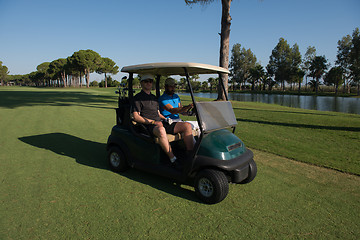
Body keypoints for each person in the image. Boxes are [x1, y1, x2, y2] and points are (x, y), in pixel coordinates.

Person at [132, 74, 193, 165]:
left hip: (160, 122)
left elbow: (158, 113)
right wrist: (152, 122)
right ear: (141, 83)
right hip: (148, 125)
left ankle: (190, 155)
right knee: (161, 130)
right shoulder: (137, 98)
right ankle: (173, 159)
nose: (149, 83)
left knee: (187, 126)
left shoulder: (154, 98)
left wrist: (166, 119)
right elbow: (135, 116)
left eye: (150, 81)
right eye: (146, 81)